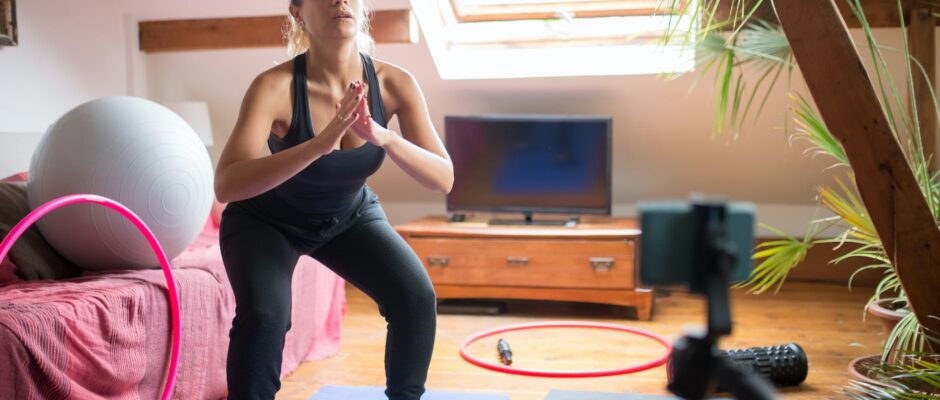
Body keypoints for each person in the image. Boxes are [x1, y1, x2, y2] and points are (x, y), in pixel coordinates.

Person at [213, 0, 453, 398]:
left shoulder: (394, 83)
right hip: (266, 223)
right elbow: (226, 184)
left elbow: (443, 178)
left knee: (415, 298)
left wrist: (385, 137)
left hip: (348, 215)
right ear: (298, 11)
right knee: (265, 316)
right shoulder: (273, 87)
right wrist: (318, 145)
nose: (340, 1)